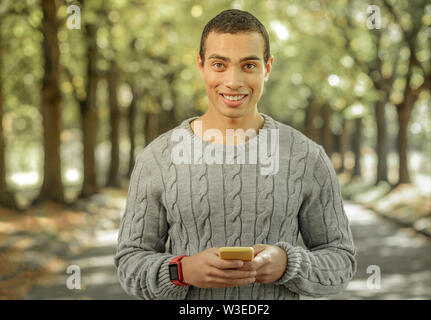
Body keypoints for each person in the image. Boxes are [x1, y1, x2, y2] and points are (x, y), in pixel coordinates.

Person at [114, 9, 357, 300]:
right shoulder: (157, 158)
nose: (233, 81)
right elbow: (129, 263)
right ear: (201, 65)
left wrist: (289, 264)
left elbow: (341, 261)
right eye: (219, 64)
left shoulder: (306, 157)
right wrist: (182, 270)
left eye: (248, 65)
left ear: (267, 68)